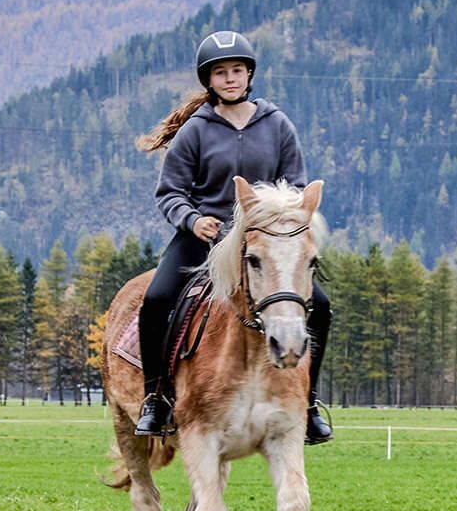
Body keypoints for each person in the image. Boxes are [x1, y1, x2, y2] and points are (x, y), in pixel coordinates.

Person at [134, 30, 333, 444]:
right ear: (209, 80)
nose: (230, 79)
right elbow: (170, 191)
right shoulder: (196, 130)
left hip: (265, 241)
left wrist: (279, 219)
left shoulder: (277, 124)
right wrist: (192, 220)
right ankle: (157, 397)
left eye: (237, 70)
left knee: (323, 306)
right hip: (205, 238)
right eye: (220, 72)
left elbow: (295, 185)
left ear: (249, 74)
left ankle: (309, 402)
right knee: (156, 300)